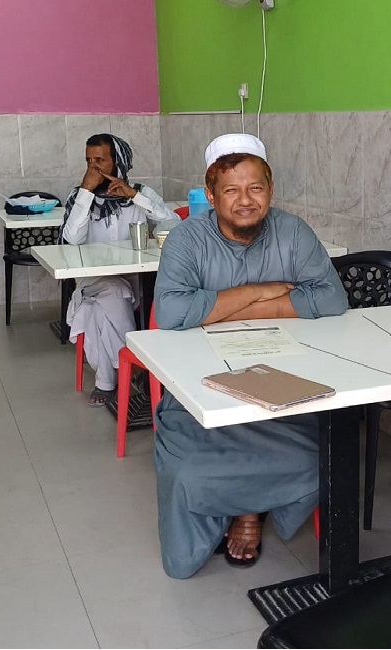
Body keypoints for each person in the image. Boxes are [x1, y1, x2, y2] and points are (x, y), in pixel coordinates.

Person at [152, 133, 349, 578]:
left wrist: (220, 309)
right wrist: (259, 291)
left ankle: (248, 511)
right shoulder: (187, 240)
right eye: (231, 190)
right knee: (189, 472)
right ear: (211, 195)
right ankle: (236, 510)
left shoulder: (292, 232)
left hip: (285, 381)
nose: (245, 200)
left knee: (318, 461)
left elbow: (332, 299)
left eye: (255, 188)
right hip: (201, 386)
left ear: (270, 190)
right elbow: (172, 313)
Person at [63, 134, 178, 407]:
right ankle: (138, 367)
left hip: (137, 282)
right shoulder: (79, 197)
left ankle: (107, 381)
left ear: (118, 162)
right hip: (92, 280)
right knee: (112, 289)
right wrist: (86, 193)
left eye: (100, 160)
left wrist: (134, 197)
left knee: (99, 310)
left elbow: (174, 223)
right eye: (89, 161)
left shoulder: (139, 192)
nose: (93, 167)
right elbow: (72, 239)